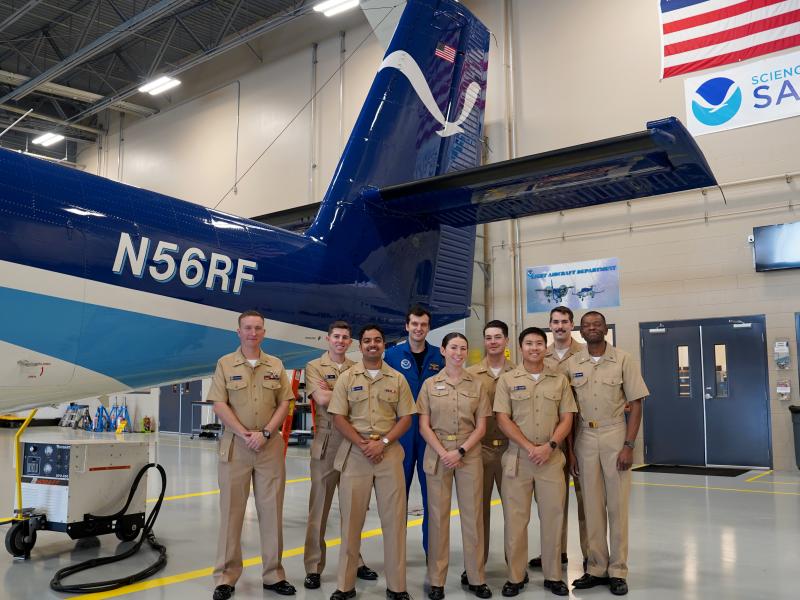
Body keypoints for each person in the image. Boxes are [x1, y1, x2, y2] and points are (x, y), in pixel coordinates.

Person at [209, 310, 297, 600]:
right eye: (247, 328)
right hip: (236, 446)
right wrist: (244, 433)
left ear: (264, 332)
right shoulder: (224, 364)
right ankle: (226, 577)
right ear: (238, 332)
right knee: (232, 513)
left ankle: (273, 574)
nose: (252, 332)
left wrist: (267, 433)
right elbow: (219, 404)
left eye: (258, 328)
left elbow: (285, 401)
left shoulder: (276, 364)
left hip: (269, 448)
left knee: (271, 512)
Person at [328, 324, 416, 600]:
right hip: (356, 453)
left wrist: (384, 443)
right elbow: (338, 416)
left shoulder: (397, 379)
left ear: (383, 345)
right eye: (367, 341)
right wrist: (362, 443)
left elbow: (406, 418)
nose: (372, 345)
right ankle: (345, 586)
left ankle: (397, 587)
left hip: (388, 453)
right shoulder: (346, 378)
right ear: (361, 345)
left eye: (377, 340)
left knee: (394, 522)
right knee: (351, 522)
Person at [567, 311, 648, 596]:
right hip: (584, 437)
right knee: (591, 507)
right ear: (581, 330)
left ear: (604, 329)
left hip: (615, 434)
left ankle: (618, 570)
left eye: (597, 325)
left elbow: (636, 404)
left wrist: (629, 445)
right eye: (587, 325)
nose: (592, 329)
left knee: (617, 506)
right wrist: (571, 452)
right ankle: (597, 568)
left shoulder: (623, 359)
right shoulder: (573, 364)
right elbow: (568, 412)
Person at [494, 327, 576, 598]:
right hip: (519, 458)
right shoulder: (507, 380)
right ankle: (516, 576)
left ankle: (553, 575)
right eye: (528, 343)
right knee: (515, 521)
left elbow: (567, 417)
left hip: (551, 460)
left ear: (545, 346)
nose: (534, 348)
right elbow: (503, 419)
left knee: (553, 518)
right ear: (520, 347)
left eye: (539, 343)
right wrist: (530, 447)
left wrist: (550, 445)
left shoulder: (559, 379)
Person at [418, 333, 493, 600]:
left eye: (463, 348)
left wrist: (460, 450)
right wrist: (444, 453)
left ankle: (476, 577)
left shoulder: (478, 384)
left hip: (469, 453)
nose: (458, 353)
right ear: (443, 350)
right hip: (437, 453)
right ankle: (436, 580)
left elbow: (481, 426)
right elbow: (423, 425)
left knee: (473, 518)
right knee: (438, 519)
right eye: (453, 348)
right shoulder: (429, 384)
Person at [303, 321, 377, 589]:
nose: (341, 341)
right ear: (327, 339)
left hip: (354, 443)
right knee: (319, 508)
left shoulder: (357, 368)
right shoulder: (314, 367)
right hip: (327, 443)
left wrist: (334, 391)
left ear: (351, 343)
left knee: (353, 508)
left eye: (346, 337)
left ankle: (354, 561)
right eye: (336, 336)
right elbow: (322, 400)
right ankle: (313, 566)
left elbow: (366, 399)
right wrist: (349, 394)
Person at [529, 306, 588, 571]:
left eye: (565, 321)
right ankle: (555, 552)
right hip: (552, 436)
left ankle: (591, 555)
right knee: (552, 501)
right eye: (555, 322)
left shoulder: (586, 355)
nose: (560, 326)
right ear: (549, 325)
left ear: (572, 324)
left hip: (583, 433)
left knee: (587, 499)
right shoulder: (543, 354)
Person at [384, 305, 445, 556]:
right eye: (414, 324)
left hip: (431, 432)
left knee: (433, 494)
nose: (419, 329)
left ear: (428, 327)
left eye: (424, 325)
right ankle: (395, 552)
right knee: (398, 496)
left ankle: (432, 551)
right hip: (402, 432)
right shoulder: (391, 356)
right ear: (407, 326)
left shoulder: (438, 356)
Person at [465, 319, 515, 580]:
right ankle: (476, 565)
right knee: (477, 511)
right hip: (480, 451)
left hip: (511, 451)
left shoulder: (518, 373)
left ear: (506, 341)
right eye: (488, 337)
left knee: (514, 512)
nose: (493, 342)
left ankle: (515, 567)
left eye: (498, 337)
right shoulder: (471, 375)